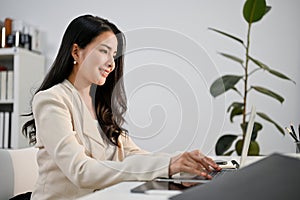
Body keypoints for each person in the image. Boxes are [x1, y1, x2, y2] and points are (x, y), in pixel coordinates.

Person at [22, 14, 221, 200]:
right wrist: (168, 166)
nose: (112, 64)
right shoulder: (52, 100)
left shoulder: (100, 105)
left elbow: (134, 155)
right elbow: (81, 171)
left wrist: (180, 165)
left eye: (114, 55)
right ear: (76, 52)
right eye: (103, 51)